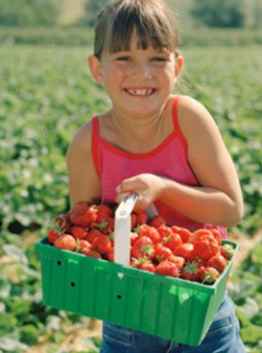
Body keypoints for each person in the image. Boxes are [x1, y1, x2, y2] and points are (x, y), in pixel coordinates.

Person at [66, 0, 246, 352]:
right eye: (124, 59)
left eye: (157, 59)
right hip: (127, 324)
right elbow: (87, 232)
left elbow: (232, 209)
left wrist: (163, 189)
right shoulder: (88, 144)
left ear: (177, 65)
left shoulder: (189, 120)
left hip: (203, 318)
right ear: (97, 68)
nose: (142, 73)